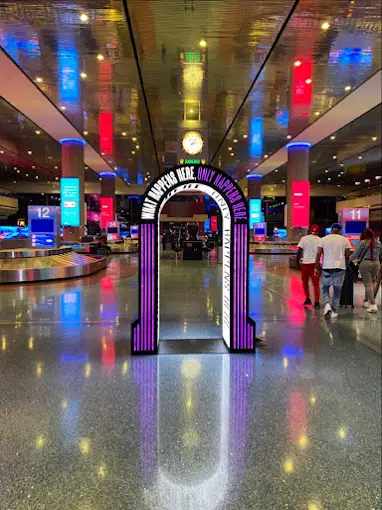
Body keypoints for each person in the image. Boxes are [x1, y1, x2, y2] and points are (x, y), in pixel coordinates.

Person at [315, 223, 351, 318]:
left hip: (326, 267)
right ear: (340, 230)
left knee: (325, 287)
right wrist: (345, 264)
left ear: (331, 230)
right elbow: (347, 255)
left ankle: (327, 304)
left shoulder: (323, 239)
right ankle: (334, 311)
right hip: (340, 268)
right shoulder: (345, 240)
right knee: (337, 290)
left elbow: (318, 254)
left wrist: (316, 267)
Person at [349, 228, 381, 313]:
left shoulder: (362, 242)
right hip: (376, 263)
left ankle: (373, 304)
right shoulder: (378, 242)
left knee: (368, 284)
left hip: (365, 263)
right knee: (371, 283)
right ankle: (367, 302)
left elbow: (356, 255)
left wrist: (348, 260)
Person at [297, 224, 321, 309]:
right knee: (316, 284)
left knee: (305, 282)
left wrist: (297, 263)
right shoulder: (320, 240)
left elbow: (299, 251)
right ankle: (317, 302)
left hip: (305, 264)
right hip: (315, 264)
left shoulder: (304, 239)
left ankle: (307, 298)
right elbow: (322, 252)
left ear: (310, 230)